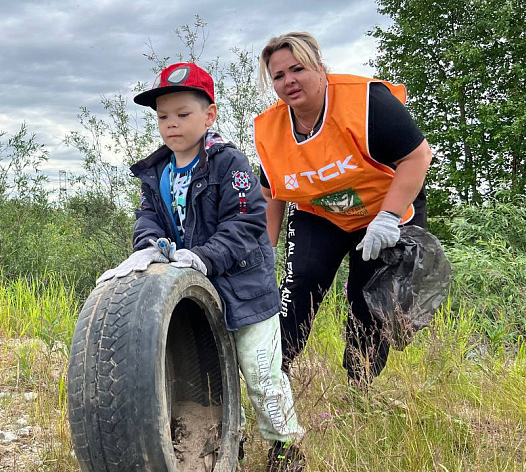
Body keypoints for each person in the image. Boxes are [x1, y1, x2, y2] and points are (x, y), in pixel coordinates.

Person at [98, 62, 306, 472]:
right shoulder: (157, 172)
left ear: (209, 115)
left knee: (261, 375)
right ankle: (232, 445)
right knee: (215, 377)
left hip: (246, 289)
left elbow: (246, 224)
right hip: (197, 293)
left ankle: (286, 448)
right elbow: (149, 217)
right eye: (162, 116)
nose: (171, 124)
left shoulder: (228, 163)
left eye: (182, 114)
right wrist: (150, 246)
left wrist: (203, 256)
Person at [251, 32, 433, 389]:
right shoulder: (272, 129)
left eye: (297, 69)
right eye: (278, 76)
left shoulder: (366, 102)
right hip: (320, 214)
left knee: (370, 301)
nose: (289, 81)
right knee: (298, 286)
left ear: (319, 67)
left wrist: (389, 218)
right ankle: (275, 378)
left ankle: (360, 384)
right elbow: (270, 193)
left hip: (385, 212)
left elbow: (417, 156)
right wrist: (260, 249)